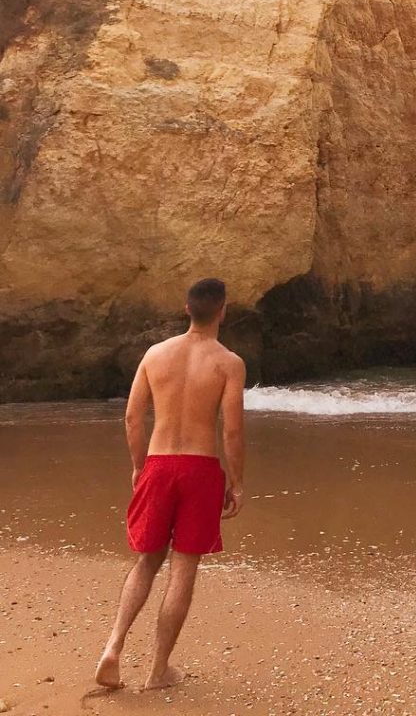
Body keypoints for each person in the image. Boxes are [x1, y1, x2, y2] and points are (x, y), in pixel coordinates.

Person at [94, 277, 246, 691]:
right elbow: (231, 432)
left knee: (147, 560)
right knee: (184, 567)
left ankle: (113, 647)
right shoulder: (228, 363)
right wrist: (236, 482)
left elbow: (131, 418)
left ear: (186, 310)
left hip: (158, 465)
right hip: (199, 470)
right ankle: (158, 670)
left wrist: (138, 466)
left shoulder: (155, 354)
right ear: (223, 311)